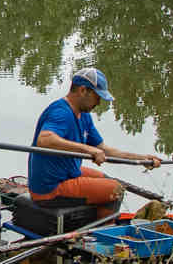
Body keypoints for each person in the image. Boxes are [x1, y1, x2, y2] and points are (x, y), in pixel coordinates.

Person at [28, 68, 162, 218]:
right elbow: (44, 139)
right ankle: (103, 232)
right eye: (97, 96)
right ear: (83, 90)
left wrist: (142, 159)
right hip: (49, 188)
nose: (99, 102)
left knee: (108, 180)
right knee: (115, 190)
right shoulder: (61, 112)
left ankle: (94, 222)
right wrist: (89, 150)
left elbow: (104, 150)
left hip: (67, 173)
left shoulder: (84, 115)